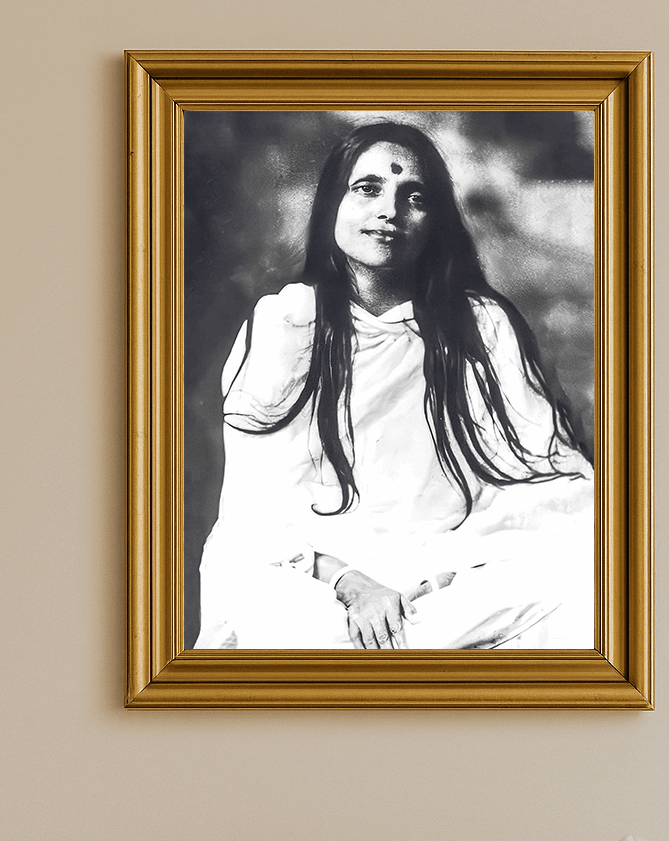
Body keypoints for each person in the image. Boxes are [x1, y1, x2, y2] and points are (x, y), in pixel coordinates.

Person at [195, 121, 594, 651]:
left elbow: (547, 483)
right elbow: (258, 510)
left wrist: (447, 573)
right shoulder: (286, 323)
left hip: (455, 572)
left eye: (415, 197)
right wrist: (350, 583)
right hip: (320, 574)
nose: (390, 210)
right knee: (293, 623)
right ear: (332, 206)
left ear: (435, 221)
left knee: (584, 589)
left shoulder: (480, 325)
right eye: (368, 189)